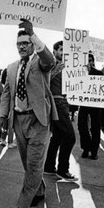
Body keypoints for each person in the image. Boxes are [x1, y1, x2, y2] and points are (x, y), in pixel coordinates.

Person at [0, 19, 57, 208]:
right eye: (19, 44)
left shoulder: (40, 63)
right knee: (28, 163)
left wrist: (32, 33)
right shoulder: (12, 67)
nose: (22, 46)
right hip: (18, 121)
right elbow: (7, 93)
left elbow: (49, 60)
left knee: (33, 164)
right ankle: (38, 190)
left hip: (38, 120)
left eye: (26, 43)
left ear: (32, 44)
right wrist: (3, 116)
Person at [44, 41, 78, 181]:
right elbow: (44, 80)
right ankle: (63, 170)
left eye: (66, 50)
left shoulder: (68, 67)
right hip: (56, 104)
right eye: (61, 50)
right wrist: (60, 68)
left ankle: (49, 167)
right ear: (54, 51)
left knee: (57, 137)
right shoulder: (51, 64)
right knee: (70, 137)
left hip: (63, 102)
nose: (63, 53)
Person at [78, 54, 104, 160]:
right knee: (82, 126)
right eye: (86, 60)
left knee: (95, 127)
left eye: (90, 60)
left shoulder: (98, 73)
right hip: (83, 103)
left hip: (95, 104)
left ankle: (94, 151)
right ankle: (85, 148)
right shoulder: (78, 73)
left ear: (93, 61)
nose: (89, 62)